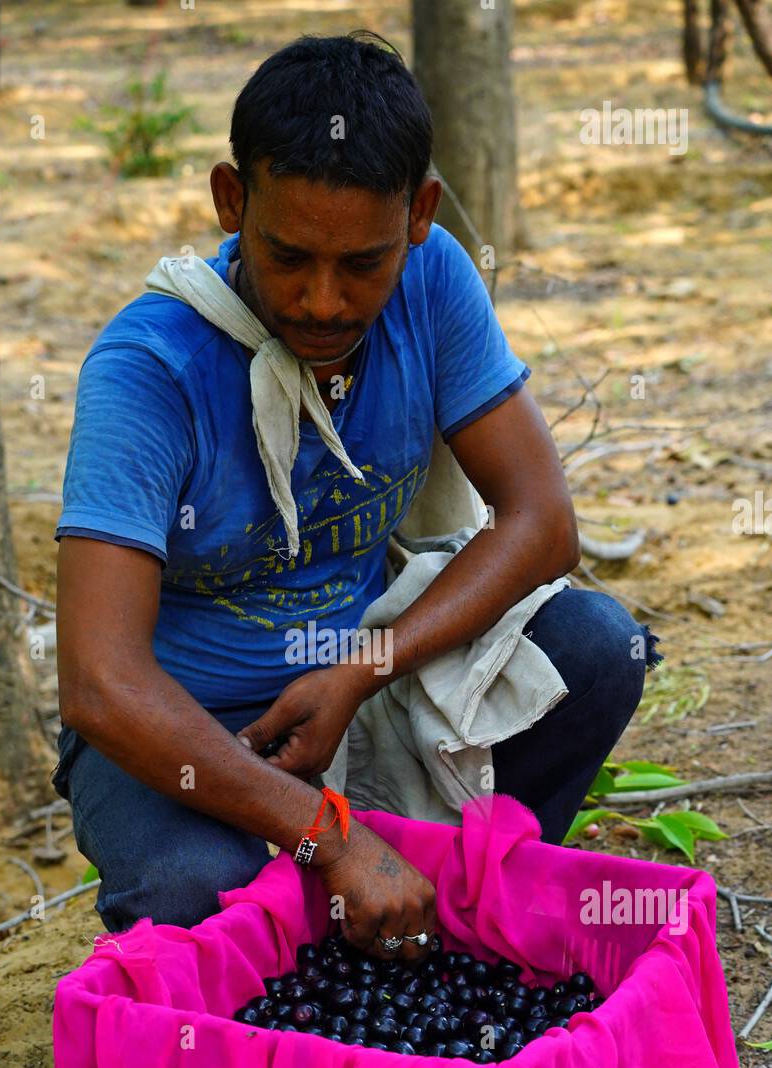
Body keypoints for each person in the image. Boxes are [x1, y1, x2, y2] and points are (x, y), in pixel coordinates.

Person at [53, 32, 654, 963]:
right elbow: (101, 683)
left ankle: (451, 920)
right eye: (289, 257)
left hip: (356, 680)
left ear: (419, 214)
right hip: (182, 725)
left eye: (362, 265)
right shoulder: (149, 370)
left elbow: (542, 524)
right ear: (230, 199)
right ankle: (331, 912)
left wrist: (359, 669)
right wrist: (324, 829)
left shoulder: (434, 279)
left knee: (595, 648)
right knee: (195, 892)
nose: (324, 303)